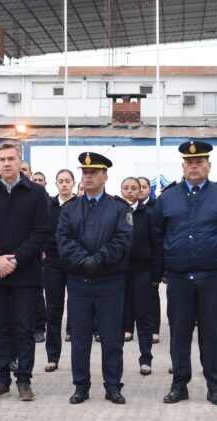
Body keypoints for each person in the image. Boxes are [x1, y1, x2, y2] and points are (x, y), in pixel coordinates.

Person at [152, 141, 217, 406]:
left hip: (212, 277)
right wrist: (159, 272)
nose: (194, 167)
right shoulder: (167, 197)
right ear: (183, 166)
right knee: (179, 334)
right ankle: (179, 384)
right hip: (179, 278)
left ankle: (214, 386)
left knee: (212, 334)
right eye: (189, 163)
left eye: (199, 162)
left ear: (208, 166)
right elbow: (157, 236)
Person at [0, 141, 49, 401]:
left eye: (10, 159)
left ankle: (24, 380)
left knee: (25, 328)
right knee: (0, 328)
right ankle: (1, 379)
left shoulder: (36, 193)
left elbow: (39, 233)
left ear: (20, 162)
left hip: (25, 274)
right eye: (1, 160)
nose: (5, 164)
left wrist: (14, 261)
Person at [57, 153, 132, 404]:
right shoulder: (70, 209)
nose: (87, 177)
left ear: (105, 177)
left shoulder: (119, 208)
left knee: (112, 338)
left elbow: (123, 240)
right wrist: (82, 260)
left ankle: (113, 386)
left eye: (93, 173)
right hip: (79, 282)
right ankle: (81, 386)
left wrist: (99, 258)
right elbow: (63, 240)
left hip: (109, 282)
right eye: (85, 173)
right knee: (80, 339)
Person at [119, 177, 160, 376]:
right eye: (125, 188)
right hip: (117, 272)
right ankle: (115, 360)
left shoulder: (149, 214)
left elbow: (156, 245)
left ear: (141, 191)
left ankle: (146, 359)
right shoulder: (115, 211)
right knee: (117, 316)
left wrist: (156, 274)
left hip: (142, 271)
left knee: (143, 316)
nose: (129, 191)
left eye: (133, 188)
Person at [42, 169, 75, 372]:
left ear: (73, 183)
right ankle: (52, 356)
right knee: (53, 310)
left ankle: (77, 357)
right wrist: (43, 249)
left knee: (77, 309)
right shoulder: (48, 205)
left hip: (74, 262)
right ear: (55, 184)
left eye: (67, 181)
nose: (64, 184)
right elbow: (41, 229)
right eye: (60, 181)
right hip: (53, 262)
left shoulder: (79, 204)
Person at [137, 176, 160, 344]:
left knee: (151, 297)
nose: (141, 189)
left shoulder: (154, 208)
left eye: (144, 186)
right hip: (129, 266)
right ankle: (128, 328)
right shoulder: (123, 208)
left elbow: (157, 242)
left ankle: (154, 329)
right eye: (140, 186)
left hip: (148, 263)